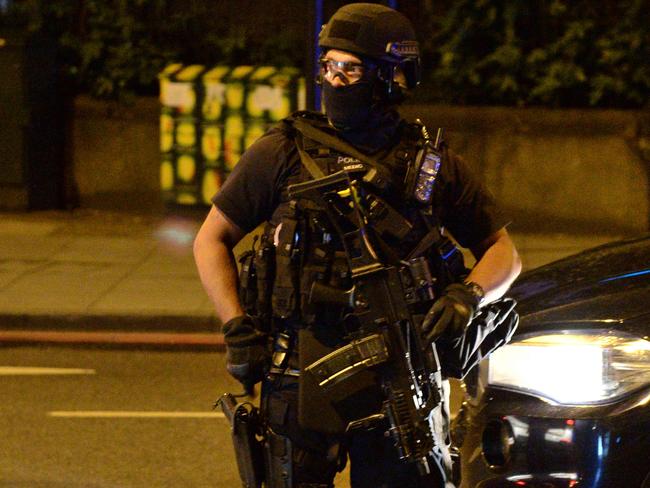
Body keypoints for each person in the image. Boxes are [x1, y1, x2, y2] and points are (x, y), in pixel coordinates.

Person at [194, 3, 522, 487]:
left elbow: (504, 254)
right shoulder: (283, 151)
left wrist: (466, 296)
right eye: (327, 65)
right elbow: (210, 240)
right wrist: (237, 328)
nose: (334, 79)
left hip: (402, 372)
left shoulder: (431, 165)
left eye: (350, 68)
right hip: (299, 371)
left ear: (392, 78)